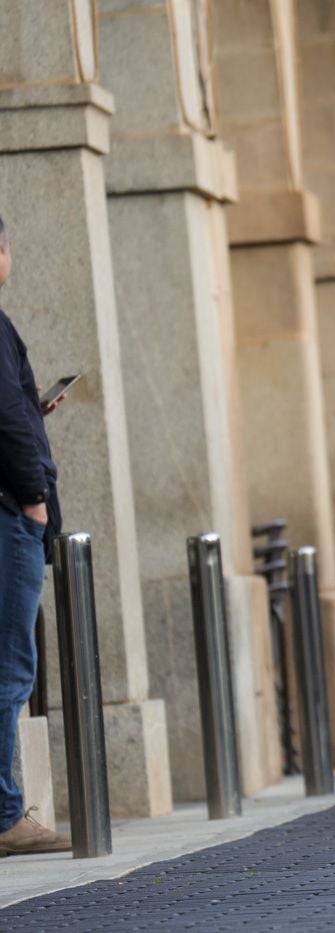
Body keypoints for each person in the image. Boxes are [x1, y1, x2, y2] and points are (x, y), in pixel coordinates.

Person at [0, 213, 71, 856]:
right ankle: (4, 815)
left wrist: (31, 405)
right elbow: (3, 417)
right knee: (10, 665)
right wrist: (35, 500)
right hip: (8, 513)